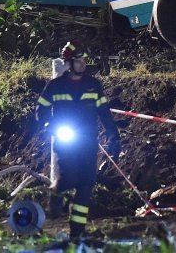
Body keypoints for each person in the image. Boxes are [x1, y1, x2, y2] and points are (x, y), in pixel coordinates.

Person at [35, 41, 120, 240]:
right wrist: (47, 125)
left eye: (84, 61)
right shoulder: (56, 86)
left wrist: (113, 135)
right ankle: (56, 192)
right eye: (78, 60)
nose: (83, 64)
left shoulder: (93, 85)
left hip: (88, 141)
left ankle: (77, 231)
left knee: (86, 183)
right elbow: (41, 109)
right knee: (69, 178)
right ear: (69, 63)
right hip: (65, 140)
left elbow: (104, 112)